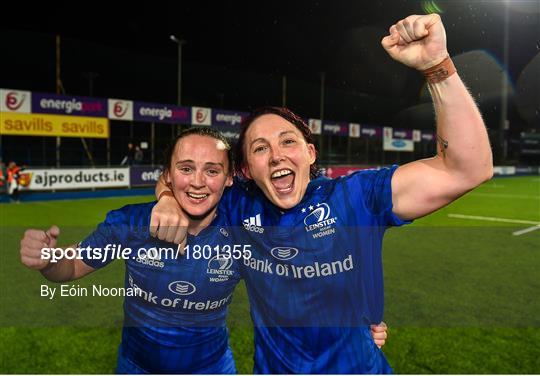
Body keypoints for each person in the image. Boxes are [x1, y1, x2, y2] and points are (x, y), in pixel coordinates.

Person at [151, 14, 493, 373]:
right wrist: (167, 199)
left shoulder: (355, 198)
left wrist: (436, 66)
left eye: (288, 142)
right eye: (261, 148)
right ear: (247, 170)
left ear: (310, 153)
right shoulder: (238, 206)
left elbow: (468, 168)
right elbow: (182, 179)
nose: (278, 154)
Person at [18, 128, 392, 373]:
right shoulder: (130, 223)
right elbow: (70, 269)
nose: (198, 182)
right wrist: (48, 259)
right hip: (136, 366)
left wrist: (355, 328)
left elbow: (302, 280)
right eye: (186, 169)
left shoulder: (246, 229)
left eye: (212, 170)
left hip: (212, 368)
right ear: (168, 174)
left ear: (230, 179)